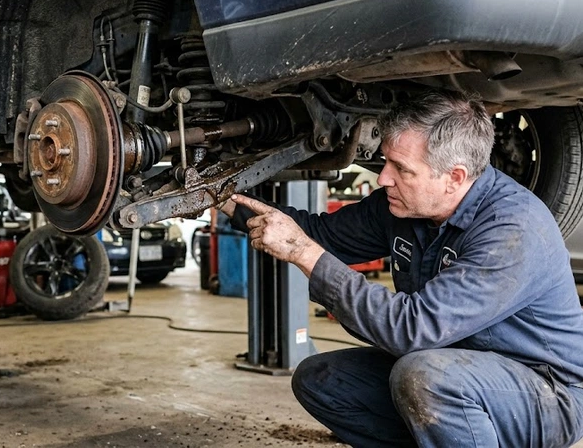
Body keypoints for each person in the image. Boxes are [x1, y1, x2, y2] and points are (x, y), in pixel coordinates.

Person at [220, 90, 583, 447]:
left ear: (454, 178)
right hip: (458, 366)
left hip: (545, 394)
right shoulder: (405, 207)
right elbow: (319, 235)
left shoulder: (512, 228)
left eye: (402, 169)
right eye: (386, 163)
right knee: (322, 379)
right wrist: (223, 198)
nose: (383, 179)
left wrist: (302, 252)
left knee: (423, 377)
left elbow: (412, 329)